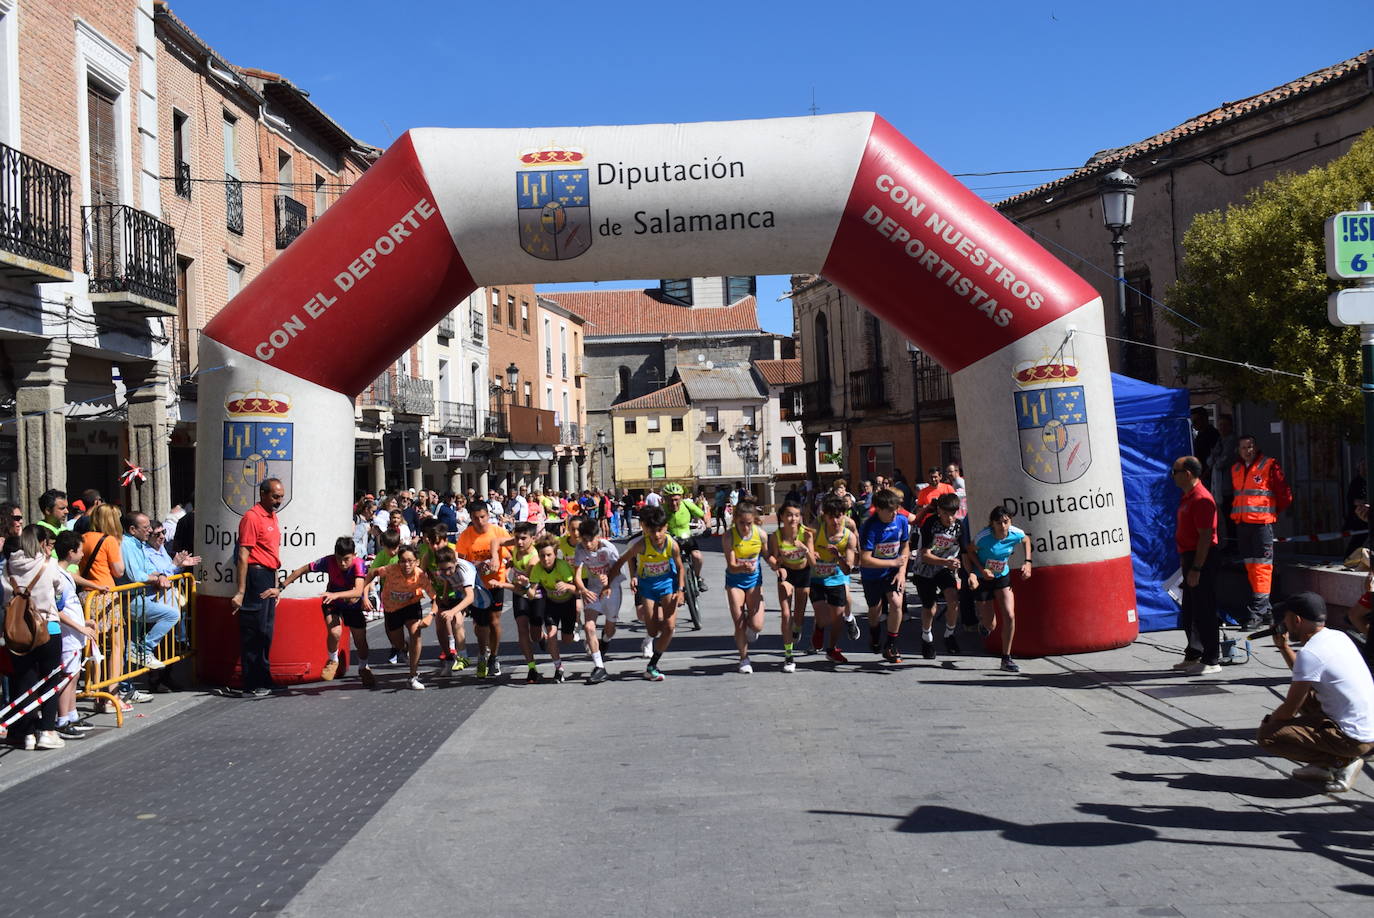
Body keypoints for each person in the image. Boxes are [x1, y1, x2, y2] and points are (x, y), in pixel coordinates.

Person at [1257, 592, 1374, 793]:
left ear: (1296, 620)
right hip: (1368, 731)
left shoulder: (1310, 653)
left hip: (1354, 740)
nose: (1282, 622)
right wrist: (1284, 647)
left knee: (1268, 736)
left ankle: (1340, 762)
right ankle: (1326, 764)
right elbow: (1306, 677)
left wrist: (1270, 721)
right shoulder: (1338, 636)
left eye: (1285, 617)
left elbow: (1289, 710)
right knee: (1306, 696)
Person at [2, 526, 96, 750]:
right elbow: (58, 590)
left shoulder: (7, 565)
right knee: (51, 680)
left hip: (17, 631)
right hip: (48, 628)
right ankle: (47, 730)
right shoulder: (48, 565)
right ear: (43, 544)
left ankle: (26, 733)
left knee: (25, 681)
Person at [279, 537, 372, 686]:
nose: (342, 563)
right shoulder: (328, 561)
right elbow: (301, 570)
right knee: (335, 632)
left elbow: (358, 591)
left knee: (360, 640)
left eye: (346, 559)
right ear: (334, 555)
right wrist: (281, 587)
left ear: (354, 555)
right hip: (332, 602)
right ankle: (333, 659)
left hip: (351, 604)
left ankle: (363, 666)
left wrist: (337, 595)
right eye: (339, 559)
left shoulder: (358, 564)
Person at [230, 478, 286, 697]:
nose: (278, 501)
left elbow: (272, 554)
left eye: (280, 496)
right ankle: (251, 683)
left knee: (265, 632)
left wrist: (275, 587)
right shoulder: (252, 518)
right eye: (275, 497)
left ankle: (264, 678)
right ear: (262, 494)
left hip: (267, 576)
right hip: (255, 576)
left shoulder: (272, 516)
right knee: (254, 631)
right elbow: (243, 555)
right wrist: (241, 591)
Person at [1230, 435, 1292, 628]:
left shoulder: (1269, 465)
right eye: (1243, 447)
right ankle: (1266, 611)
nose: (1247, 450)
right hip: (1243, 525)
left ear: (1256, 447)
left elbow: (1285, 495)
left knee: (1262, 568)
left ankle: (1258, 610)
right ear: (1238, 450)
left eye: (1250, 446)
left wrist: (1271, 513)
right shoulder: (1236, 469)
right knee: (1251, 567)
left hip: (1261, 525)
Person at [616, 505, 683, 681]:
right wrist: (633, 577)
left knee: (668, 626)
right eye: (650, 529)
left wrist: (681, 589)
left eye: (659, 530)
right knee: (649, 623)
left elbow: (680, 566)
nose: (656, 534)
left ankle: (652, 664)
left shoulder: (669, 542)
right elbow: (627, 559)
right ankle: (650, 637)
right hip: (645, 583)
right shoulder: (637, 543)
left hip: (667, 584)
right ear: (643, 527)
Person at [361, 544, 436, 690]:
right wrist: (364, 595)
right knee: (398, 643)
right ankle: (404, 647)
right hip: (392, 609)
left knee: (416, 634)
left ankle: (413, 676)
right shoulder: (389, 570)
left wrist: (431, 616)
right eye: (403, 561)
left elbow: (435, 599)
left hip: (411, 606)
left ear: (417, 562)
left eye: (410, 561)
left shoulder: (420, 576)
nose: (406, 565)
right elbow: (371, 573)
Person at [1171, 456, 1221, 675]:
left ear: (1187, 474)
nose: (1172, 476)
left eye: (1175, 471)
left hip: (1201, 558)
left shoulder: (1202, 499)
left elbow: (1205, 537)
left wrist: (1197, 568)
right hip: (1189, 557)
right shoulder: (1188, 497)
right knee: (1191, 609)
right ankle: (1194, 653)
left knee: (1205, 609)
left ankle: (1211, 659)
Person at [967, 506, 1032, 673]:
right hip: (983, 578)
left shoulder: (1015, 533)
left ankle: (1006, 658)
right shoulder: (984, 537)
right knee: (991, 625)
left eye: (1006, 522)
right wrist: (981, 570)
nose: (1003, 526)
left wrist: (1027, 562)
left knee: (1010, 615)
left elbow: (1026, 540)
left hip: (1002, 576)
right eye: (999, 523)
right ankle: (983, 622)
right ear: (992, 524)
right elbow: (969, 551)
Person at [913, 493, 973, 660]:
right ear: (939, 511)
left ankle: (949, 635)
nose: (950, 518)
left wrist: (971, 575)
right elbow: (924, 555)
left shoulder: (959, 527)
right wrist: (946, 562)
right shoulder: (930, 524)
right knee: (930, 608)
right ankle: (927, 638)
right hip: (924, 569)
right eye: (946, 514)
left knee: (953, 600)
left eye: (953, 513)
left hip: (944, 569)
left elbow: (965, 553)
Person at [454, 503, 511, 679]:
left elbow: (511, 557)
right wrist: (476, 566)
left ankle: (493, 657)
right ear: (470, 518)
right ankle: (482, 655)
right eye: (475, 518)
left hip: (495, 583)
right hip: (477, 587)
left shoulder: (499, 532)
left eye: (483, 517)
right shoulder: (466, 535)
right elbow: (460, 562)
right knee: (481, 626)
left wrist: (502, 569)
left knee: (494, 622)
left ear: (488, 515)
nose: (479, 521)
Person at [120, 511, 182, 671]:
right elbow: (135, 575)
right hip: (129, 598)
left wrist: (160, 575)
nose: (149, 530)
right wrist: (156, 578)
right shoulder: (126, 544)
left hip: (138, 597)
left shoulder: (138, 543)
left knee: (130, 645)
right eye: (146, 527)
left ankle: (127, 687)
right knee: (172, 614)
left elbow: (148, 568)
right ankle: (145, 650)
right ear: (133, 529)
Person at [858, 489, 910, 663]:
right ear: (878, 509)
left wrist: (901, 571)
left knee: (896, 603)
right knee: (875, 610)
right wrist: (892, 563)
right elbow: (865, 560)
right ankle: (874, 633)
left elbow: (905, 546)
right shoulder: (869, 527)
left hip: (892, 574)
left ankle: (891, 645)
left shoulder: (901, 521)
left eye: (896, 509)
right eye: (890, 511)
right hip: (872, 575)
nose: (894, 513)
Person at [809, 493, 859, 663]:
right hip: (816, 579)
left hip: (836, 579)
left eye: (838, 516)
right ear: (825, 516)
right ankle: (819, 627)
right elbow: (801, 545)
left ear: (844, 515)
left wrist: (838, 556)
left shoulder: (849, 537)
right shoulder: (817, 528)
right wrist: (811, 553)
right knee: (824, 618)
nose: (835, 521)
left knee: (837, 620)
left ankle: (831, 649)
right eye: (831, 517)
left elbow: (847, 569)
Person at [525, 534, 579, 683]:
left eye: (549, 555)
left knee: (567, 640)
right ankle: (558, 668)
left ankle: (573, 628)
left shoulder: (562, 567)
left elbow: (577, 589)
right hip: (552, 605)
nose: (546, 559)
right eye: (542, 556)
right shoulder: (537, 569)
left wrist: (567, 586)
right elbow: (531, 591)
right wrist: (528, 589)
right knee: (552, 634)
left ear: (555, 555)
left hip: (568, 604)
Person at [767, 501, 813, 672]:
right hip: (786, 574)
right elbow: (772, 557)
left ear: (800, 517)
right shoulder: (776, 536)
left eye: (796, 515)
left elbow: (814, 564)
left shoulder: (806, 535)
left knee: (798, 616)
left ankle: (798, 628)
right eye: (789, 515)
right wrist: (777, 567)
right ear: (782, 517)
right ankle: (788, 656)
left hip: (804, 573)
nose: (792, 518)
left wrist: (805, 550)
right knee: (786, 614)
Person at [572, 518, 624, 666]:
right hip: (593, 588)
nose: (588, 544)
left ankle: (605, 640)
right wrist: (583, 589)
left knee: (610, 629)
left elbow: (617, 569)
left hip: (612, 588)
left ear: (598, 536)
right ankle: (599, 666)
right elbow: (577, 574)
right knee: (589, 626)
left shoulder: (609, 548)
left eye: (591, 540)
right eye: (584, 540)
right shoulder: (580, 549)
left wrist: (607, 578)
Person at [497, 522, 544, 682]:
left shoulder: (534, 560)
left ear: (533, 538)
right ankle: (532, 667)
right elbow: (496, 541)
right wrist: (499, 560)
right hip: (519, 593)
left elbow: (525, 590)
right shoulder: (516, 544)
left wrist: (503, 584)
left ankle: (542, 637)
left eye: (524, 538)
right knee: (522, 628)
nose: (519, 542)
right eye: (516, 538)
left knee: (535, 634)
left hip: (534, 594)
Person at [663, 482, 708, 593]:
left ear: (681, 498)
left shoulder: (687, 505)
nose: (674, 503)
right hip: (671, 540)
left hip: (687, 537)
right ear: (665, 499)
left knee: (697, 556)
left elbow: (704, 515)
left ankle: (698, 578)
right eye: (670, 499)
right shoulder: (662, 509)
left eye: (676, 499)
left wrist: (708, 527)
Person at [1208, 414, 1238, 546]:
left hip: (1228, 486)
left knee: (1230, 518)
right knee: (1223, 518)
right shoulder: (1219, 441)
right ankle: (1227, 544)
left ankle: (1232, 545)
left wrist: (1216, 458)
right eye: (1220, 425)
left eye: (1225, 425)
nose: (1222, 428)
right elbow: (1209, 461)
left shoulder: (1231, 441)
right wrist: (1214, 458)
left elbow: (1222, 462)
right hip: (1218, 486)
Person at [1191, 407, 1220, 485]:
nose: (1194, 423)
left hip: (1208, 477)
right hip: (1201, 475)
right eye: (1193, 421)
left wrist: (1203, 476)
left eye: (1196, 420)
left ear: (1204, 419)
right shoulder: (1200, 435)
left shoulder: (1212, 434)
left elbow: (1215, 457)